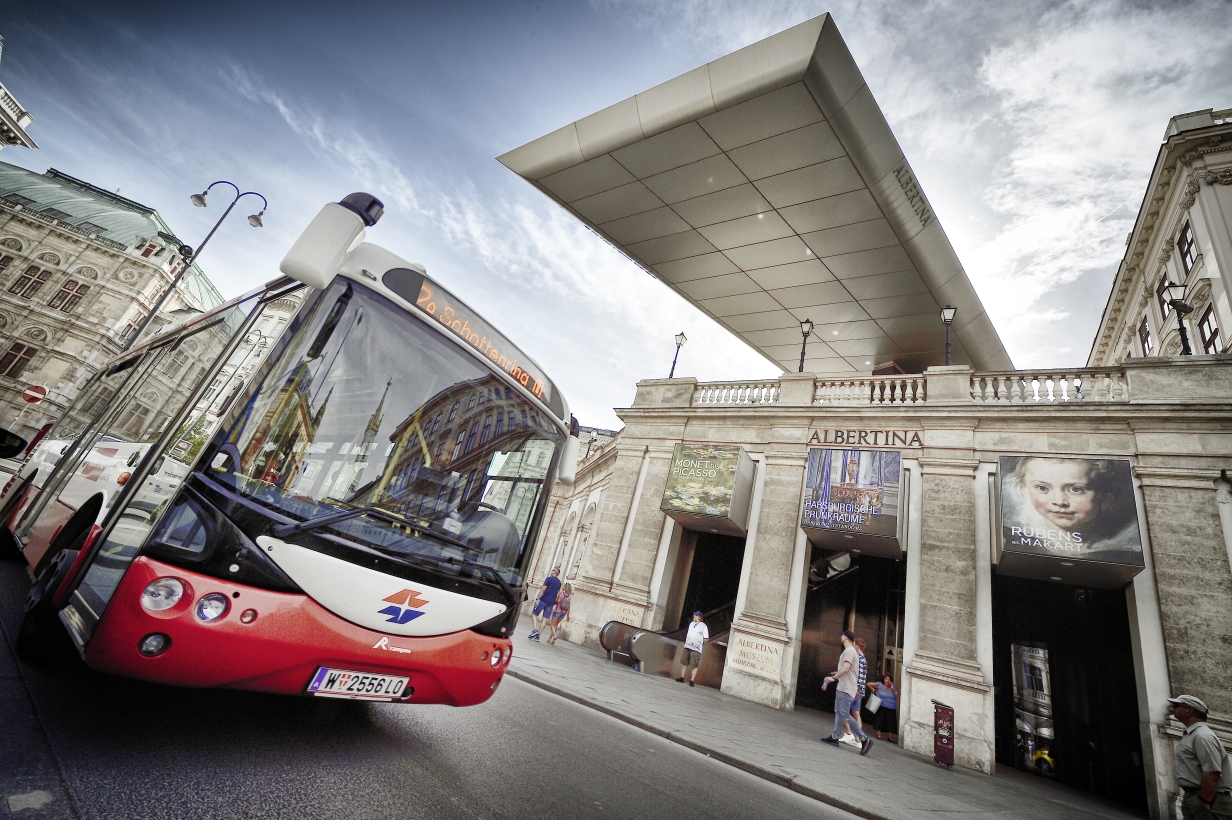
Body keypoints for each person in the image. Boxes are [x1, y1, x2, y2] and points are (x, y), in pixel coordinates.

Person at [1003, 456, 1141, 560]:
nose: (1059, 501)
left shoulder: (1125, 546)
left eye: (1075, 489)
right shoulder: (1012, 536)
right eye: (1042, 488)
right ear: (1025, 489)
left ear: (1105, 497)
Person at [1168, 694, 1232, 819]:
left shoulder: (1202, 736)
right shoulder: (1193, 735)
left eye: (1176, 705)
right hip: (1194, 796)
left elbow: (1213, 773)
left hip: (1209, 798)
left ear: (1189, 711)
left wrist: (1205, 800)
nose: (1172, 708)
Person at [821, 630, 873, 755]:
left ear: (845, 637)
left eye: (842, 636)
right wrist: (837, 674)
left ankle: (864, 739)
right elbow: (848, 670)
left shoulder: (849, 651)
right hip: (843, 687)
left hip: (846, 688)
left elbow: (846, 668)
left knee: (844, 713)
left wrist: (834, 678)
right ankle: (835, 737)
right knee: (839, 712)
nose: (841, 637)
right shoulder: (850, 652)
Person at [528, 566, 561, 642]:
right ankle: (538, 636)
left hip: (543, 599)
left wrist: (537, 599)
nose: (551, 571)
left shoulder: (548, 579)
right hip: (551, 602)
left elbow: (543, 590)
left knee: (534, 614)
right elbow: (557, 592)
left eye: (552, 570)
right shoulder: (559, 582)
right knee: (545, 619)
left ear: (554, 572)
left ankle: (535, 630)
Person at [676, 611, 708, 687]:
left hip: (696, 649)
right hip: (687, 646)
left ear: (699, 617)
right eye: (694, 615)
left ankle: (692, 680)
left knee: (694, 664)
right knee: (684, 662)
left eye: (696, 615)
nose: (694, 616)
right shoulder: (691, 624)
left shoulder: (703, 626)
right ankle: (682, 677)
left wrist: (699, 643)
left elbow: (706, 639)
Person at [869, 673, 899, 742]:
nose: (887, 681)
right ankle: (879, 734)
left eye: (889, 679)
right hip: (882, 705)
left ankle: (890, 737)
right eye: (886, 679)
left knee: (891, 723)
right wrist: (875, 691)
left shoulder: (893, 686)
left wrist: (893, 688)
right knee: (880, 720)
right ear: (883, 680)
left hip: (891, 707)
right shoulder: (880, 684)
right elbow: (869, 684)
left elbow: (897, 696)